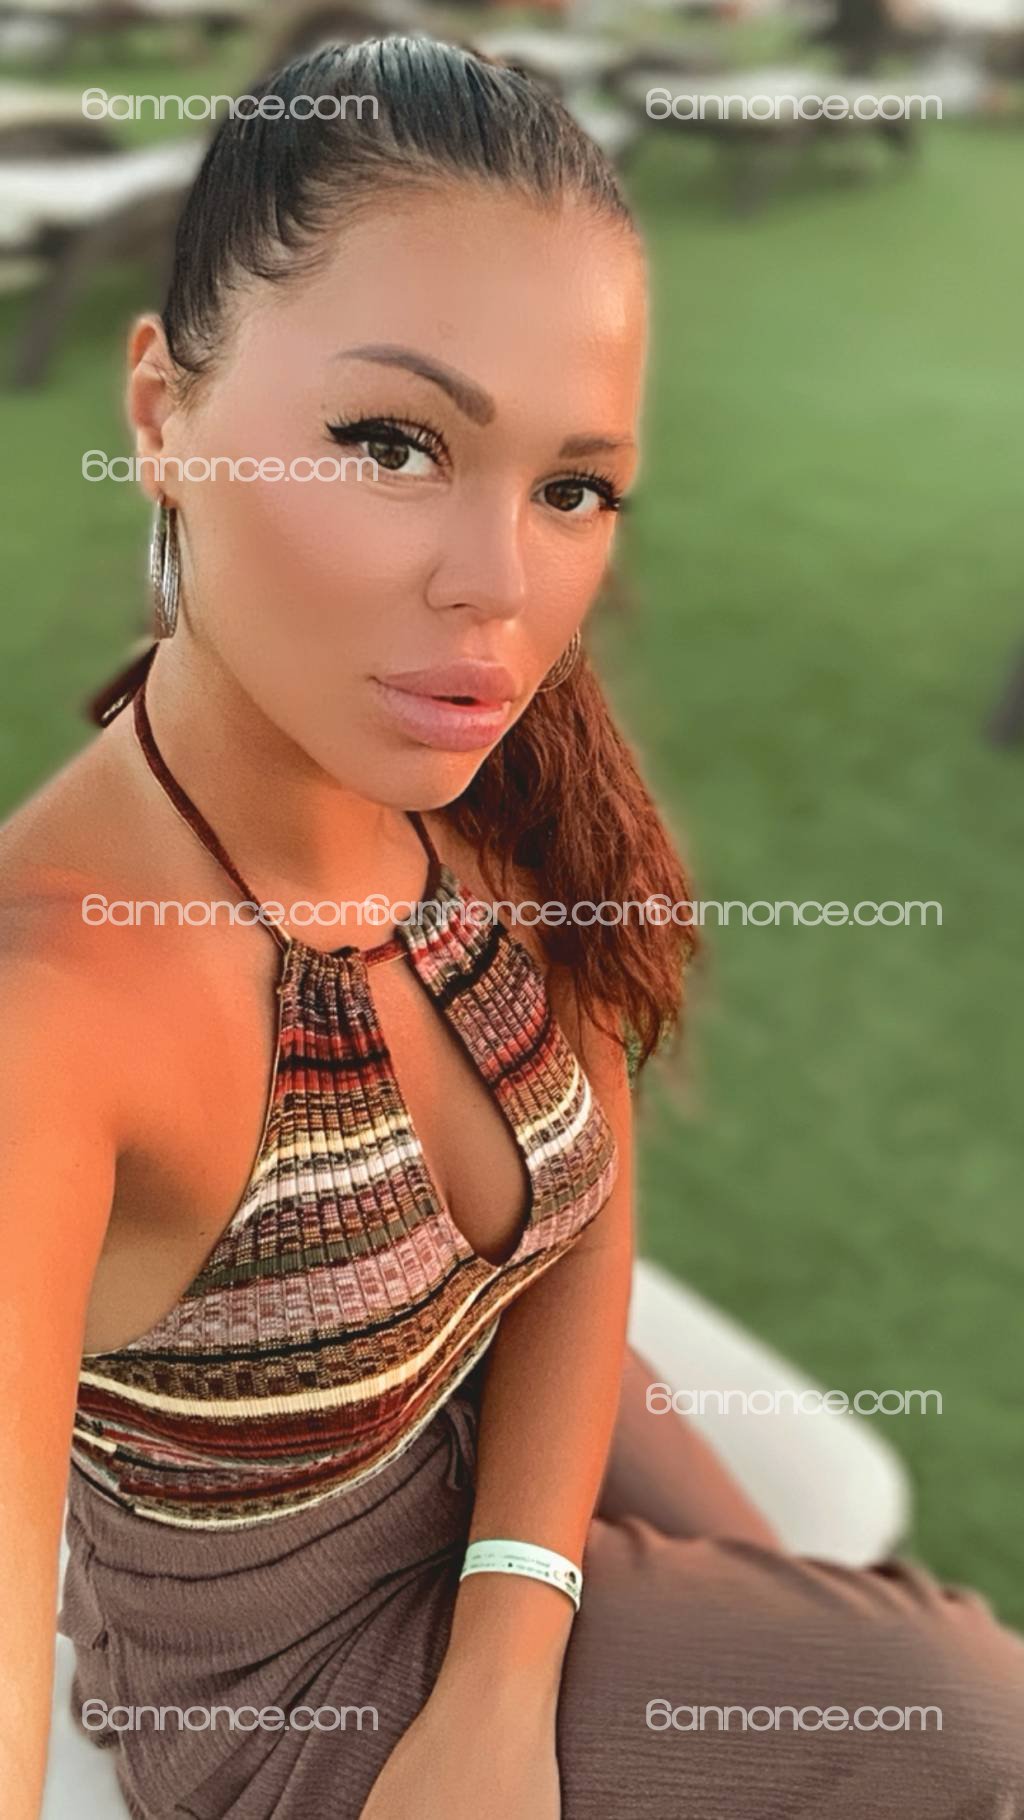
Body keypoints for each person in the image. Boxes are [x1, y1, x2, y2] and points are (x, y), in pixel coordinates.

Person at [1, 34, 1022, 1820]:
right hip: (285, 1691)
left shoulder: (485, 799)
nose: (500, 592)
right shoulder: (52, 1012)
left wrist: (509, 1644)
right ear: (160, 413)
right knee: (967, 1717)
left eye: (573, 488)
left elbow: (578, 1207)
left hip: (518, 1456)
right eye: (392, 443)